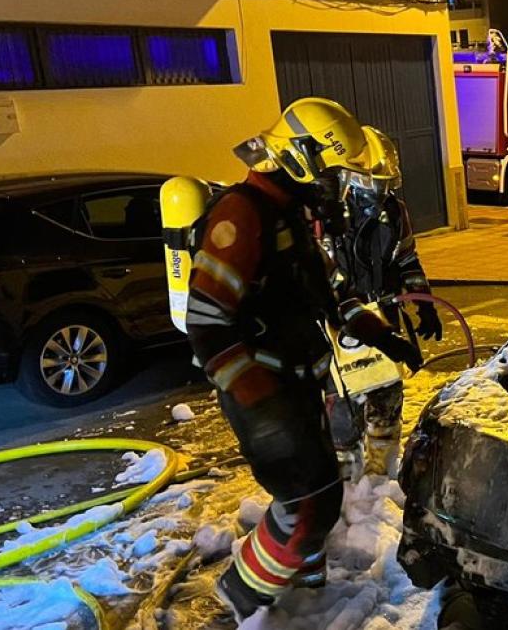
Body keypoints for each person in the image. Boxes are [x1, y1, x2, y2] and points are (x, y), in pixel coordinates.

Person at [185, 97, 422, 623]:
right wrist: (261, 405)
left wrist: (385, 338)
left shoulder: (290, 216)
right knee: (308, 498)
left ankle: (306, 583)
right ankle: (237, 601)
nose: (337, 189)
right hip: (264, 391)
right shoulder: (241, 215)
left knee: (320, 489)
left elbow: (332, 298)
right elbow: (205, 323)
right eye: (334, 174)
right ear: (299, 159)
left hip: (300, 384)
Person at [326, 128, 442, 476]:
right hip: (341, 326)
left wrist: (424, 304)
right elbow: (328, 283)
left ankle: (380, 478)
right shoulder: (328, 220)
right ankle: (346, 482)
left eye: (387, 185)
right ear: (351, 176)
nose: (382, 193)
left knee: (386, 398)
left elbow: (406, 259)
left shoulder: (394, 212)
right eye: (376, 184)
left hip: (384, 316)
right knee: (343, 406)